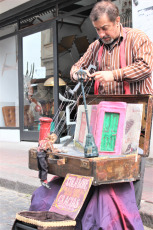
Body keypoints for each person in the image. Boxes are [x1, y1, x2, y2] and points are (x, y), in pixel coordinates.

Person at [70, 0, 153, 209]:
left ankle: (130, 211)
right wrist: (81, 73)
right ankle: (108, 210)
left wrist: (113, 75)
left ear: (117, 21)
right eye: (98, 29)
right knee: (107, 161)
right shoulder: (95, 46)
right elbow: (75, 68)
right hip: (108, 114)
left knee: (133, 162)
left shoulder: (138, 37)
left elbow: (145, 66)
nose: (101, 34)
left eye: (105, 28)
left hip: (136, 112)